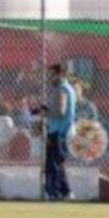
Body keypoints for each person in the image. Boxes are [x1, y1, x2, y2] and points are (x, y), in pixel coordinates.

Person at [44, 63, 77, 201]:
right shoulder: (69, 88)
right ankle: (66, 192)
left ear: (61, 74)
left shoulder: (61, 89)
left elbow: (60, 112)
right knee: (58, 163)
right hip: (64, 131)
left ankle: (55, 193)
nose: (50, 78)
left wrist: (45, 112)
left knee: (52, 165)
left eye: (53, 74)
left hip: (58, 132)